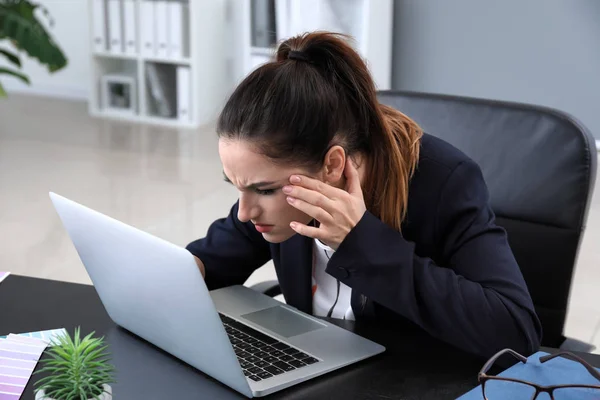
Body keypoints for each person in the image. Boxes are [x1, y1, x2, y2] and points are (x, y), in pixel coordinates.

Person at [186, 31, 542, 360]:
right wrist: (181, 274)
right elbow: (213, 258)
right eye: (237, 187)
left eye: (263, 190)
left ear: (332, 164)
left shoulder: (444, 182)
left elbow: (515, 330)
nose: (245, 212)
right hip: (315, 369)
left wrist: (362, 241)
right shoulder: (273, 193)